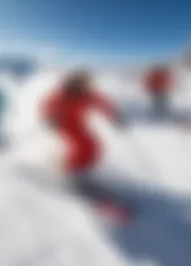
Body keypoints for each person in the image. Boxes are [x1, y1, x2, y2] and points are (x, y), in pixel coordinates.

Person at [40, 69, 132, 223]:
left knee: (95, 147)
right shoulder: (63, 94)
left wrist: (116, 116)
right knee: (82, 145)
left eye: (86, 83)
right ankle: (73, 175)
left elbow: (102, 103)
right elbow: (48, 105)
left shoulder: (87, 95)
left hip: (78, 124)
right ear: (74, 82)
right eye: (82, 83)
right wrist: (51, 118)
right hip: (64, 125)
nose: (86, 86)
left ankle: (83, 172)